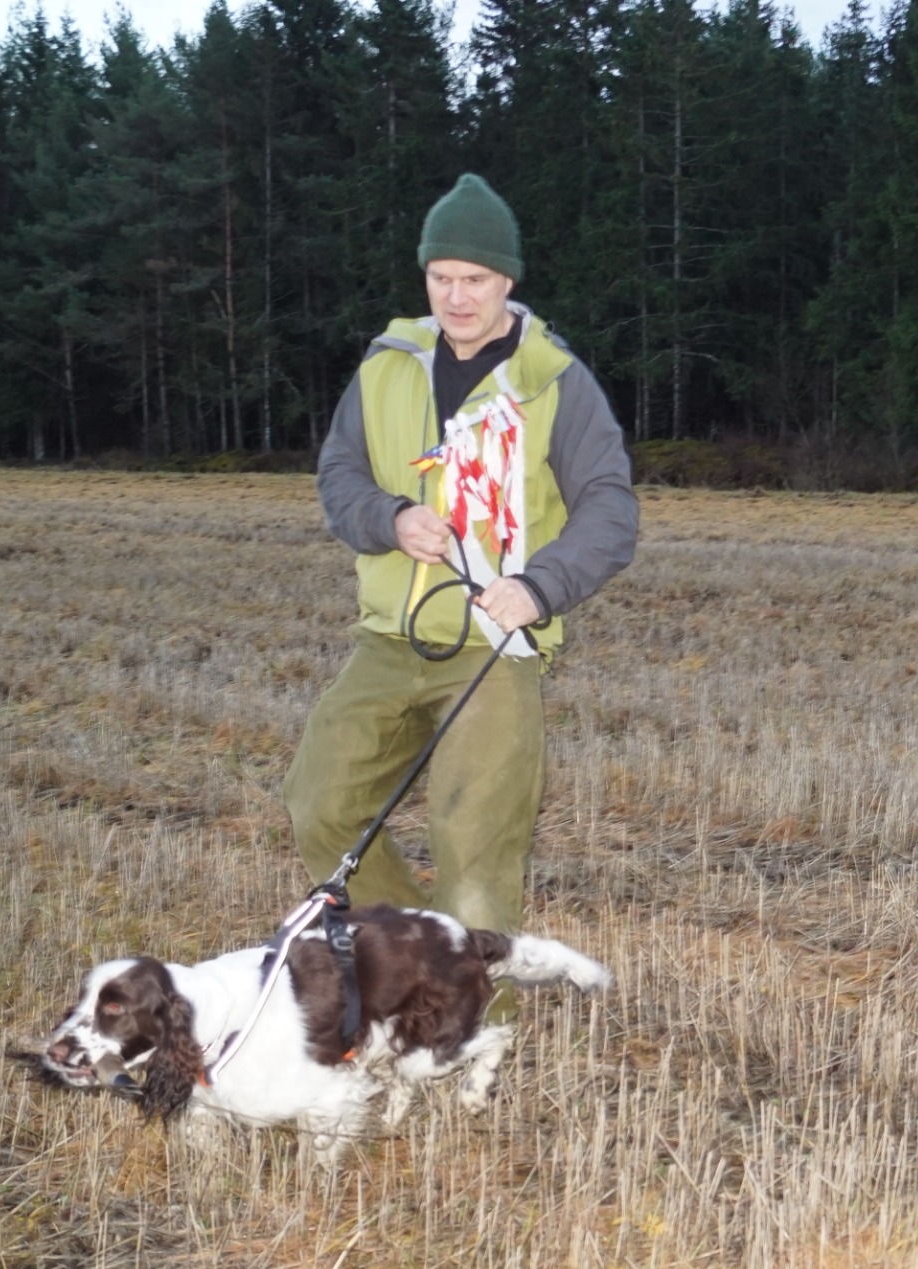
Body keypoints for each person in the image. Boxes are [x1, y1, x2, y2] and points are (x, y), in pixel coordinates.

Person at [285, 173, 638, 1019]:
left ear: (506, 280)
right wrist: (389, 516)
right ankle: (414, 952)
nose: (456, 296)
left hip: (495, 647)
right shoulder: (388, 367)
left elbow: (610, 509)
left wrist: (540, 586)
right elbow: (339, 474)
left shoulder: (553, 380)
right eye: (440, 276)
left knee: (474, 847)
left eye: (474, 278)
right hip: (390, 636)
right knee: (319, 804)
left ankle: (472, 1026)